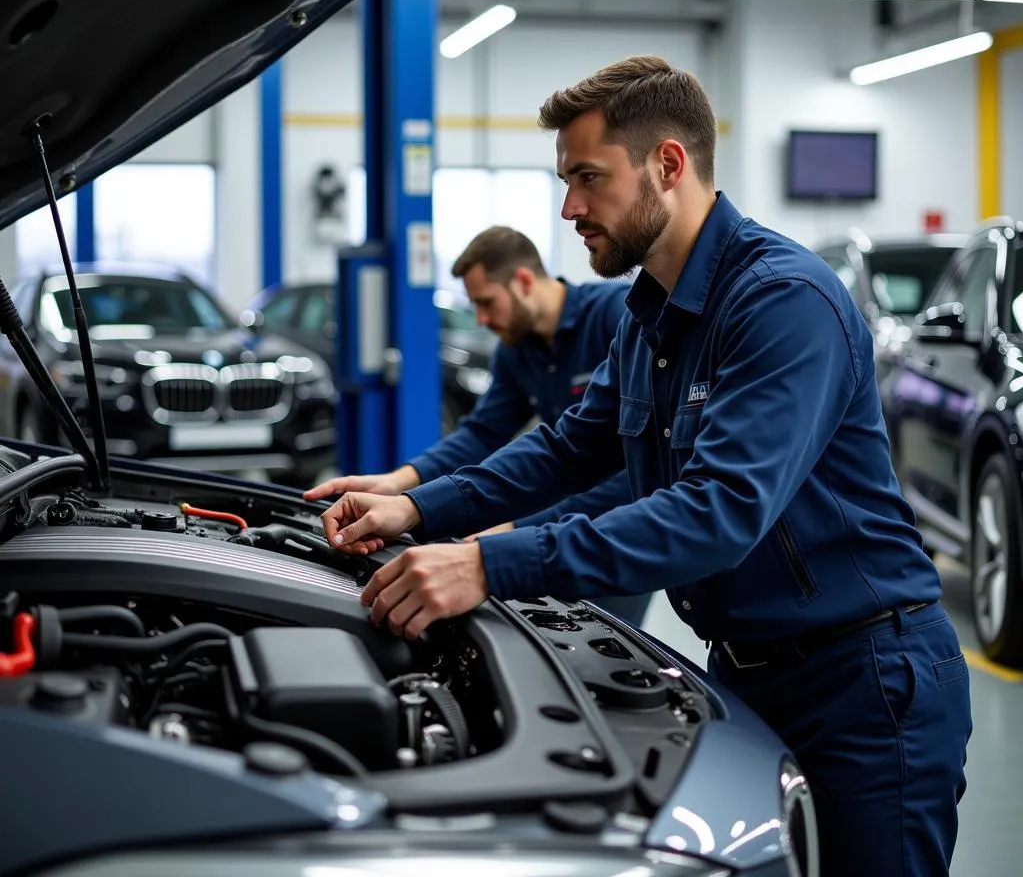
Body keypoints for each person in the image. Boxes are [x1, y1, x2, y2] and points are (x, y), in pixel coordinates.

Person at [317, 56, 973, 876]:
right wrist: (415, 509)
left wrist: (489, 562)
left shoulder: (780, 302)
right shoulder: (649, 317)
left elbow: (717, 512)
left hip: (866, 686)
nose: (570, 208)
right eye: (566, 180)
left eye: (589, 178)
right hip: (746, 671)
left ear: (668, 163)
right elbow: (564, 446)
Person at [305, 226, 651, 628]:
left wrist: (514, 530)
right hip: (557, 529)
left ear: (523, 281)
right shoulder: (515, 350)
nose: (482, 320)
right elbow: (482, 433)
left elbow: (631, 472)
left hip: (619, 533)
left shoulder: (617, 316)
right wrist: (397, 484)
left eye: (486, 303)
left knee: (606, 649)